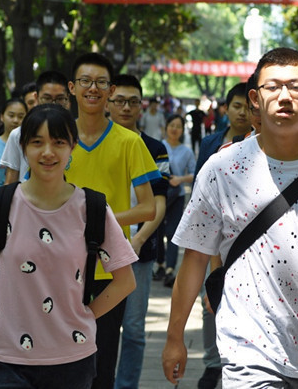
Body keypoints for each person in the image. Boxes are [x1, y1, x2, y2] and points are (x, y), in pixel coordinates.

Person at [163, 47, 298, 388]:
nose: (285, 96)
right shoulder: (222, 169)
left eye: (296, 86)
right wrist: (175, 337)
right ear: (255, 99)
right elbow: (194, 258)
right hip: (247, 347)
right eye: (272, 87)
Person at [0, 104, 138, 389]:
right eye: (37, 142)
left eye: (58, 142)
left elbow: (125, 281)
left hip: (71, 360)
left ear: (72, 147)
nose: (48, 152)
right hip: (4, 358)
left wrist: (84, 315)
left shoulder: (92, 209)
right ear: (23, 148)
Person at [65, 52, 161, 389]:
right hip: (58, 266)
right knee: (58, 360)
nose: (93, 88)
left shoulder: (130, 142)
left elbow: (148, 207)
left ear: (110, 89)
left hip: (109, 270)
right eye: (86, 81)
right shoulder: (57, 138)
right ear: (72, 88)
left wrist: (99, 219)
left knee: (102, 363)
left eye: (101, 82)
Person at [188, 81, 252, 389]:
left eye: (247, 106)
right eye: (236, 106)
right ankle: (213, 364)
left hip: (248, 243)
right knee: (210, 301)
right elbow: (202, 198)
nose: (242, 112)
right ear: (226, 109)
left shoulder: (263, 145)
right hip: (211, 238)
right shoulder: (212, 144)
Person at [108, 74, 170, 389]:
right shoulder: (92, 141)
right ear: (107, 101)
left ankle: (126, 385)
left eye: (133, 101)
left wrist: (139, 238)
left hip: (138, 251)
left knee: (133, 329)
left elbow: (159, 202)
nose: (126, 107)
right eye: (120, 100)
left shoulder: (155, 148)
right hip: (95, 251)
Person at [1, 71, 69, 185]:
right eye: (47, 98)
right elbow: (10, 180)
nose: (53, 104)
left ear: (68, 98)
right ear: (36, 98)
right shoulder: (18, 134)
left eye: (60, 99)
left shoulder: (75, 134)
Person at [160, 115, 196, 288]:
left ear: (183, 130)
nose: (174, 129)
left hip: (177, 196)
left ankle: (169, 269)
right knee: (158, 230)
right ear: (166, 127)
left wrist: (180, 179)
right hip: (158, 196)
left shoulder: (186, 151)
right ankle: (159, 263)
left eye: (178, 126)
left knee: (173, 232)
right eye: (171, 125)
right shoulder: (159, 146)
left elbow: (195, 174)